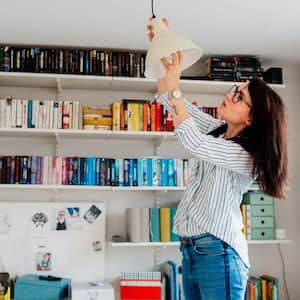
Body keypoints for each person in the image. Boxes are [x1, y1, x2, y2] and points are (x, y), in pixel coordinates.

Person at [147, 19, 288, 299]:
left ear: (251, 117)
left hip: (218, 253)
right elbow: (170, 100)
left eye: (239, 96)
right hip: (191, 250)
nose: (230, 94)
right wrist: (161, 45)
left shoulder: (245, 155)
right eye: (235, 89)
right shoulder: (215, 130)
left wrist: (175, 88)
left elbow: (192, 140)